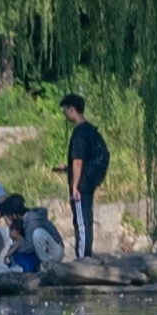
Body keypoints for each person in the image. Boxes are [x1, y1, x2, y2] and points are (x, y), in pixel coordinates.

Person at [58, 93, 109, 260]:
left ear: (72, 110)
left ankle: (82, 257)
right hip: (90, 180)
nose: (64, 114)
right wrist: (67, 168)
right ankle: (86, 255)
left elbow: (78, 161)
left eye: (65, 110)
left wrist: (74, 185)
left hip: (81, 184)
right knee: (86, 217)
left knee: (81, 221)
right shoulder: (90, 130)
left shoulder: (79, 133)